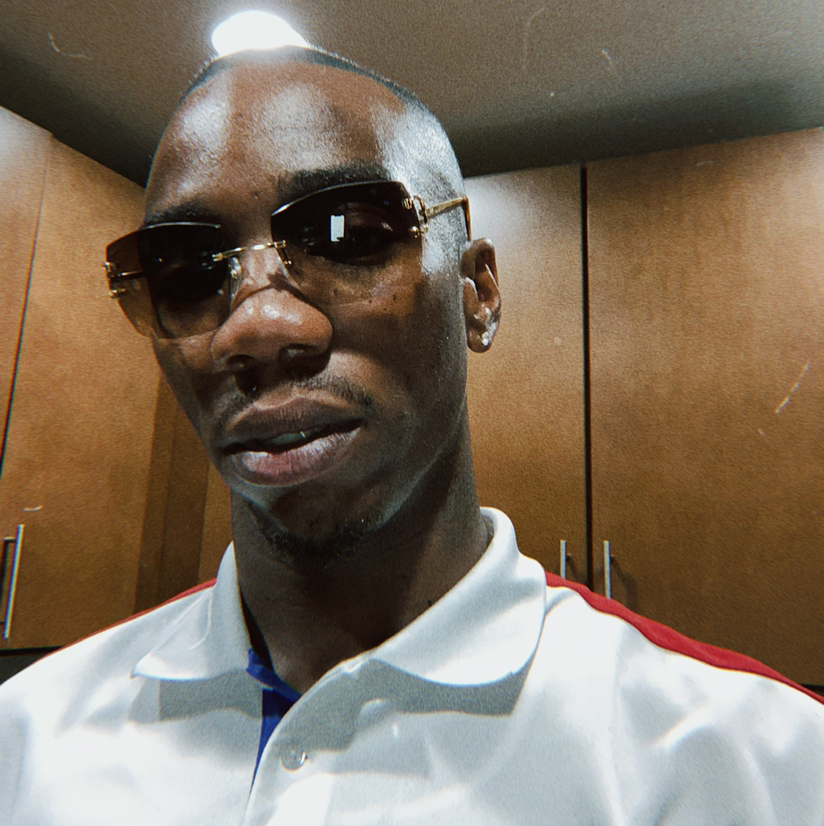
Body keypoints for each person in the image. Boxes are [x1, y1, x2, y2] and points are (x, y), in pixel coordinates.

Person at [1, 46, 823, 825]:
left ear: (478, 293)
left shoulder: (754, 762)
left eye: (349, 237)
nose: (256, 326)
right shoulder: (30, 740)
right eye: (184, 274)